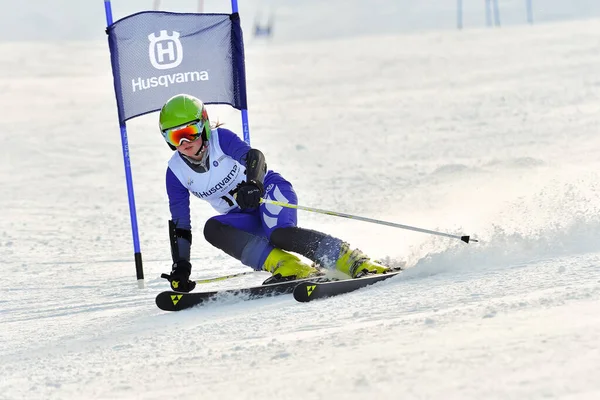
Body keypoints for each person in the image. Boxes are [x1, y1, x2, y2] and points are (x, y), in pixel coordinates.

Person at [159, 94, 390, 292]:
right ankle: (289, 266)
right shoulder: (176, 172)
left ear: (204, 125)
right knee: (213, 229)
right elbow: (181, 224)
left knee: (280, 234)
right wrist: (181, 265)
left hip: (268, 192)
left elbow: (255, 157)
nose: (185, 142)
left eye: (189, 132)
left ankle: (354, 261)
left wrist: (253, 184)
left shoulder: (221, 139)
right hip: (243, 215)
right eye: (175, 137)